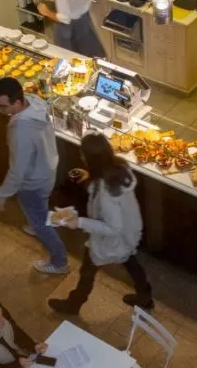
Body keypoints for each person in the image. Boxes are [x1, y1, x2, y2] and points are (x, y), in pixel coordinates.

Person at [48, 133, 152, 315]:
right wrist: (90, 177)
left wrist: (78, 222)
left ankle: (73, 305)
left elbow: (113, 227)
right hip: (130, 231)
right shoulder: (119, 166)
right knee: (129, 261)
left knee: (88, 269)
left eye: (83, 153)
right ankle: (145, 296)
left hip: (112, 239)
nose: (80, 155)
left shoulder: (106, 194)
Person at [0, 77, 69, 274]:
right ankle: (45, 221)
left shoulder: (22, 130)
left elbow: (18, 170)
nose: (0, 110)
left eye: (2, 106)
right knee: (40, 208)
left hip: (33, 180)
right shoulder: (34, 102)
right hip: (47, 169)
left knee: (40, 221)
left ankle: (60, 262)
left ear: (17, 102)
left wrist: (1, 195)